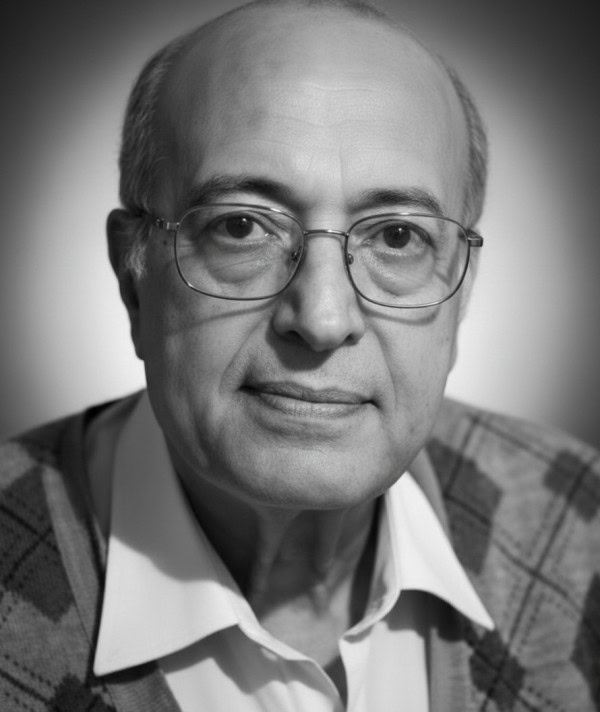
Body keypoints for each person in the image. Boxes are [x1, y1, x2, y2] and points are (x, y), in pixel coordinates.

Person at [1, 0, 598, 710]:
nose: (321, 319)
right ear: (134, 280)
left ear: (460, 294)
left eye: (398, 237)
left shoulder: (579, 521)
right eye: (241, 226)